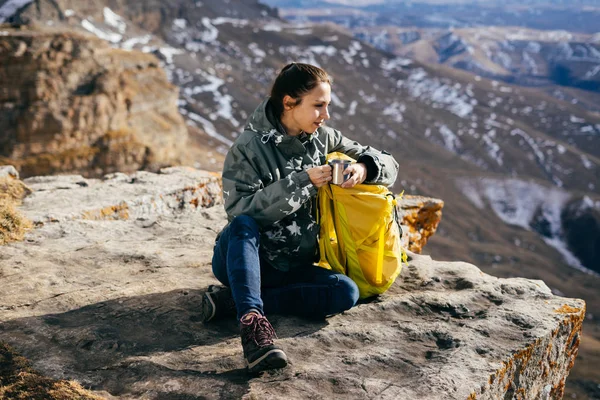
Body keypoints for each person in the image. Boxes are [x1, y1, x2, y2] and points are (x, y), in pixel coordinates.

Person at [201, 62, 399, 373]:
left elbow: (389, 164)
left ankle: (235, 301)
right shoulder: (248, 149)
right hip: (243, 258)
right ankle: (253, 326)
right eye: (318, 106)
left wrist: (364, 168)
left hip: (295, 266)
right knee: (242, 225)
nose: (326, 115)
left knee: (346, 292)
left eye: (327, 105)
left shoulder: (324, 139)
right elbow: (241, 211)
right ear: (289, 103)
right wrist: (303, 181)